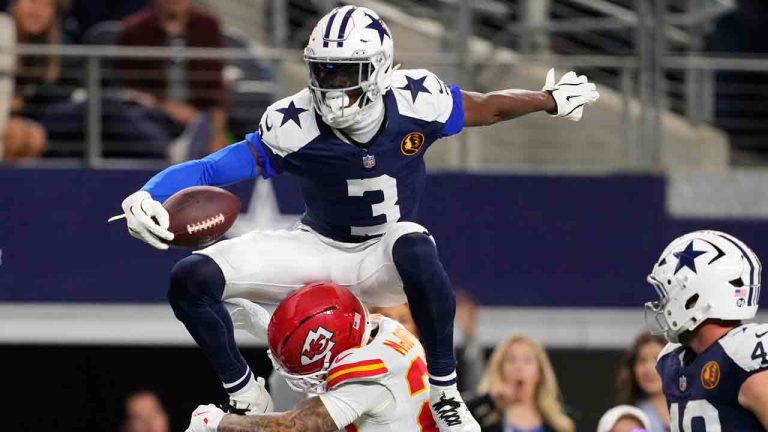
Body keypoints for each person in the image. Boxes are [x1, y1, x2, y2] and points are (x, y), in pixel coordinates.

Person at [117, 5, 599, 430]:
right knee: (191, 278)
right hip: (318, 247)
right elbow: (210, 167)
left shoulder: (416, 100)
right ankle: (244, 391)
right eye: (322, 71)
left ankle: (445, 389)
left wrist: (548, 99)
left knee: (413, 242)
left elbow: (488, 108)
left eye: (345, 72)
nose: (331, 85)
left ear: (378, 69)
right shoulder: (295, 122)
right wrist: (149, 193)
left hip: (382, 257)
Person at [185, 282, 438, 431]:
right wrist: (278, 335)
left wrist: (218, 422)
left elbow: (296, 426)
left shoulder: (366, 378)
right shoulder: (383, 329)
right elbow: (333, 333)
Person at [646, 230, 768, 430]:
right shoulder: (671, 361)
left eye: (667, 294)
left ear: (693, 298)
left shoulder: (744, 359)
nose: (662, 305)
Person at [117, 0, 227, 156]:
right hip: (152, 116)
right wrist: (169, 108)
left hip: (199, 118)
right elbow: (132, 92)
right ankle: (170, 152)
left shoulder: (208, 26)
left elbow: (216, 89)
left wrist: (217, 133)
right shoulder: (133, 30)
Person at [467, 334, 575, 432]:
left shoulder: (557, 426)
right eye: (511, 360)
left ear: (539, 373)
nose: (518, 367)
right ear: (500, 369)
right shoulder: (483, 421)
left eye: (527, 360)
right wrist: (489, 398)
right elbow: (454, 413)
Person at [3, 0, 57, 160]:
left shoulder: (58, 47)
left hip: (30, 119)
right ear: (13, 5)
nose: (38, 12)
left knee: (34, 137)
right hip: (5, 117)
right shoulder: (3, 36)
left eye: (47, 5)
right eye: (32, 2)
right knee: (15, 135)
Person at [614, 332, 669, 431]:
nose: (649, 369)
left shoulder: (695, 408)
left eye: (657, 359)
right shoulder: (626, 420)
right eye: (642, 360)